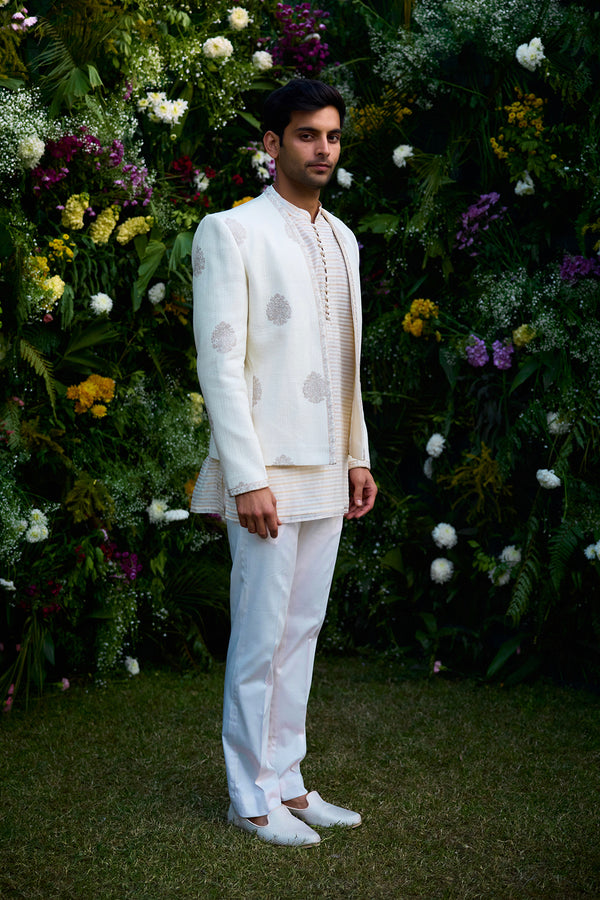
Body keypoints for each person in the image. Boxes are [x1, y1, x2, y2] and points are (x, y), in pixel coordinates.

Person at [190, 78, 377, 847]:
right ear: (273, 145)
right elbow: (220, 363)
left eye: (331, 135)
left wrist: (358, 456)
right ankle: (248, 795)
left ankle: (288, 780)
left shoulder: (343, 238)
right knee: (262, 633)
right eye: (306, 135)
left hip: (328, 467)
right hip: (266, 469)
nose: (322, 149)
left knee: (301, 629)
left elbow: (347, 360)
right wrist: (246, 477)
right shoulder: (229, 232)